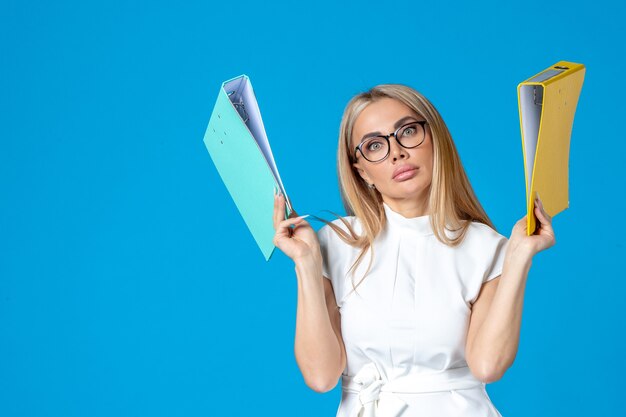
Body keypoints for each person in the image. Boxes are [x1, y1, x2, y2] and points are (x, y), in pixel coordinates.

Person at [272, 84, 555, 417]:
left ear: (435, 139)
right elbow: (321, 376)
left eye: (407, 132)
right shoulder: (334, 243)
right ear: (361, 170)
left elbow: (487, 366)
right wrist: (305, 264)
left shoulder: (486, 247)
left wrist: (519, 256)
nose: (396, 153)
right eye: (375, 145)